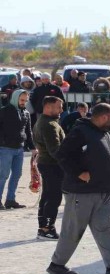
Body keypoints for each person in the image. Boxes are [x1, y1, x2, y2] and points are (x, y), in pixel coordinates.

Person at [47, 103, 110, 274]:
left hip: (104, 191)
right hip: (82, 193)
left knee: (105, 230)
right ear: (104, 117)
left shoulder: (104, 133)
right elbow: (62, 155)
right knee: (72, 231)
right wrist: (79, 173)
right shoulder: (80, 132)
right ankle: (56, 264)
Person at [33, 96, 66, 240]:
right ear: (48, 107)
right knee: (53, 196)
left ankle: (43, 227)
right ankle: (47, 228)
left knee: (47, 195)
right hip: (52, 165)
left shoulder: (43, 121)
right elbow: (55, 150)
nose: (61, 110)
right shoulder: (49, 124)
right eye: (59, 107)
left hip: (46, 163)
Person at [0, 89, 36, 210]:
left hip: (19, 148)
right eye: (22, 100)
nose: (24, 103)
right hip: (5, 148)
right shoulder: (4, 111)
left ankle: (10, 200)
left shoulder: (26, 113)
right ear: (15, 98)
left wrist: (33, 147)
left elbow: (28, 131)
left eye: (25, 101)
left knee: (17, 175)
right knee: (3, 175)